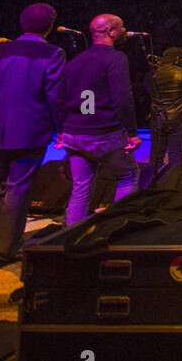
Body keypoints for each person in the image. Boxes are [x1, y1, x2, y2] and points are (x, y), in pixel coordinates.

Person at [0, 3, 64, 269]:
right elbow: (54, 96)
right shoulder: (53, 53)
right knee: (18, 188)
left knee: (1, 185)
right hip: (31, 130)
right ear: (48, 26)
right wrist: (62, 128)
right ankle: (4, 251)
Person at [58, 14, 141, 226]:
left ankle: (71, 238)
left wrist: (60, 129)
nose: (125, 30)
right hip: (102, 134)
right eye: (122, 26)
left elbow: (59, 97)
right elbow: (123, 97)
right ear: (111, 32)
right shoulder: (116, 58)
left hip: (73, 133)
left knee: (81, 187)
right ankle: (117, 230)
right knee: (128, 175)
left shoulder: (75, 61)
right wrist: (131, 133)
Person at [144, 47, 182, 188]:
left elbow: (149, 91)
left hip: (157, 118)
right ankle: (173, 189)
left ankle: (151, 188)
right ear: (177, 59)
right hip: (178, 119)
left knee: (156, 156)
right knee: (175, 157)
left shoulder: (152, 74)